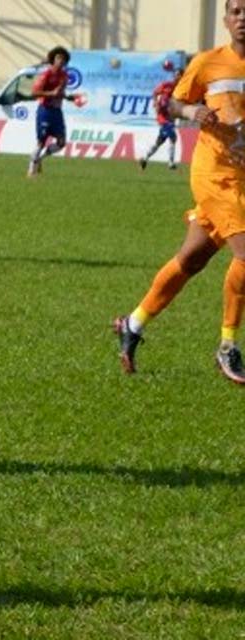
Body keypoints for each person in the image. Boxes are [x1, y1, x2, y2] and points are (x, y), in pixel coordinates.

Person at [114, 0, 245, 384]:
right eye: (236, 11)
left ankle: (132, 323)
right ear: (225, 20)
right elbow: (171, 103)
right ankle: (228, 345)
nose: (243, 18)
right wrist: (192, 113)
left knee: (191, 260)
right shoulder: (208, 62)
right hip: (214, 174)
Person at [27, 46, 70, 177]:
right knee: (41, 142)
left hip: (57, 112)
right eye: (58, 58)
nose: (61, 60)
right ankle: (31, 171)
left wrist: (69, 97)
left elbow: (60, 93)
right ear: (53, 59)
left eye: (63, 58)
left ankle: (40, 158)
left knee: (61, 143)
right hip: (45, 110)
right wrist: (51, 93)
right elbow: (34, 92)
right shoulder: (46, 75)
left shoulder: (64, 76)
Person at [139, 60, 182, 171]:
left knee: (160, 141)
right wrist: (155, 102)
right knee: (173, 137)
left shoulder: (182, 89)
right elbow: (155, 93)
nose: (177, 77)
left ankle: (144, 158)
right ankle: (171, 163)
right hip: (162, 117)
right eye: (176, 75)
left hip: (171, 117)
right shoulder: (166, 85)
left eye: (179, 75)